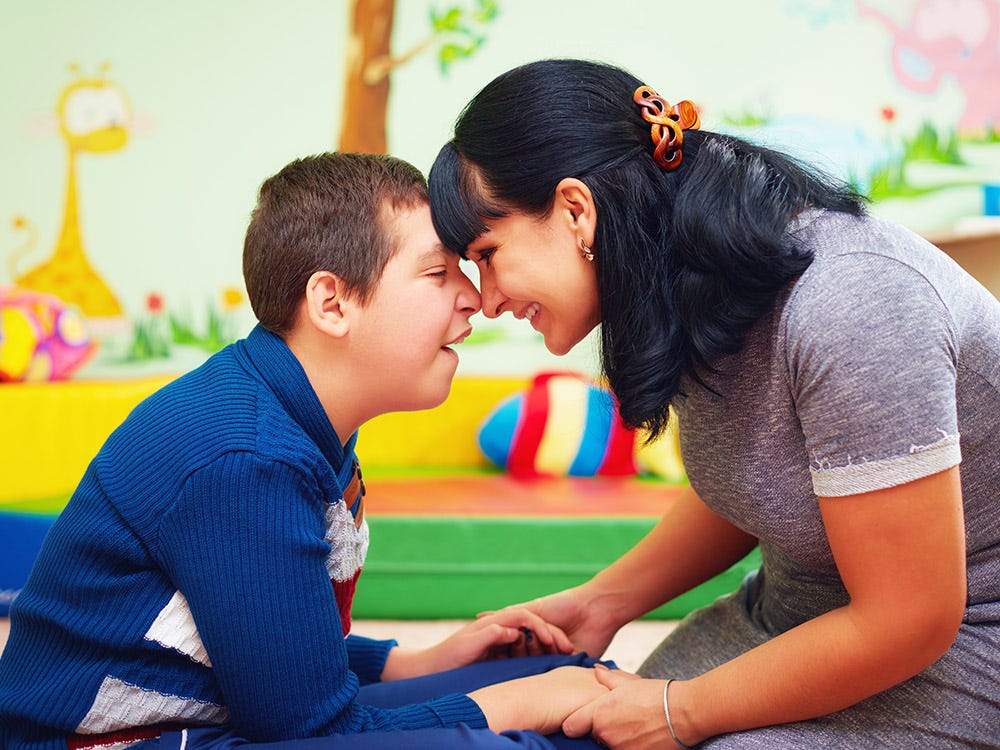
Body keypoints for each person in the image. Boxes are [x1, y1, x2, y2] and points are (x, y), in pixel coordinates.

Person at [427, 59, 1000, 748]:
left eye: (487, 253)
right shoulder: (696, 276)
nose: (485, 300)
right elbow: (769, 474)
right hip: (799, 615)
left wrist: (681, 711)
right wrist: (599, 603)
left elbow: (912, 619)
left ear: (577, 210)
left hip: (957, 648)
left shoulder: (851, 300)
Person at [0, 152, 612, 750]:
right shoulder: (244, 456)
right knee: (517, 727)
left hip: (212, 713)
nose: (474, 298)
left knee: (556, 686)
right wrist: (525, 706)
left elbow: (271, 641)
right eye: (436, 273)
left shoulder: (305, 419)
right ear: (332, 303)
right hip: (109, 740)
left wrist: (422, 661)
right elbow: (310, 729)